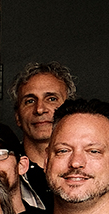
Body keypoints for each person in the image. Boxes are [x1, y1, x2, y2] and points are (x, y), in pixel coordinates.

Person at [10, 61, 75, 206]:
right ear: (17, 117)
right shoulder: (4, 170)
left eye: (51, 99)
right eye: (30, 101)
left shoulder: (99, 168)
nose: (39, 109)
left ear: (71, 111)